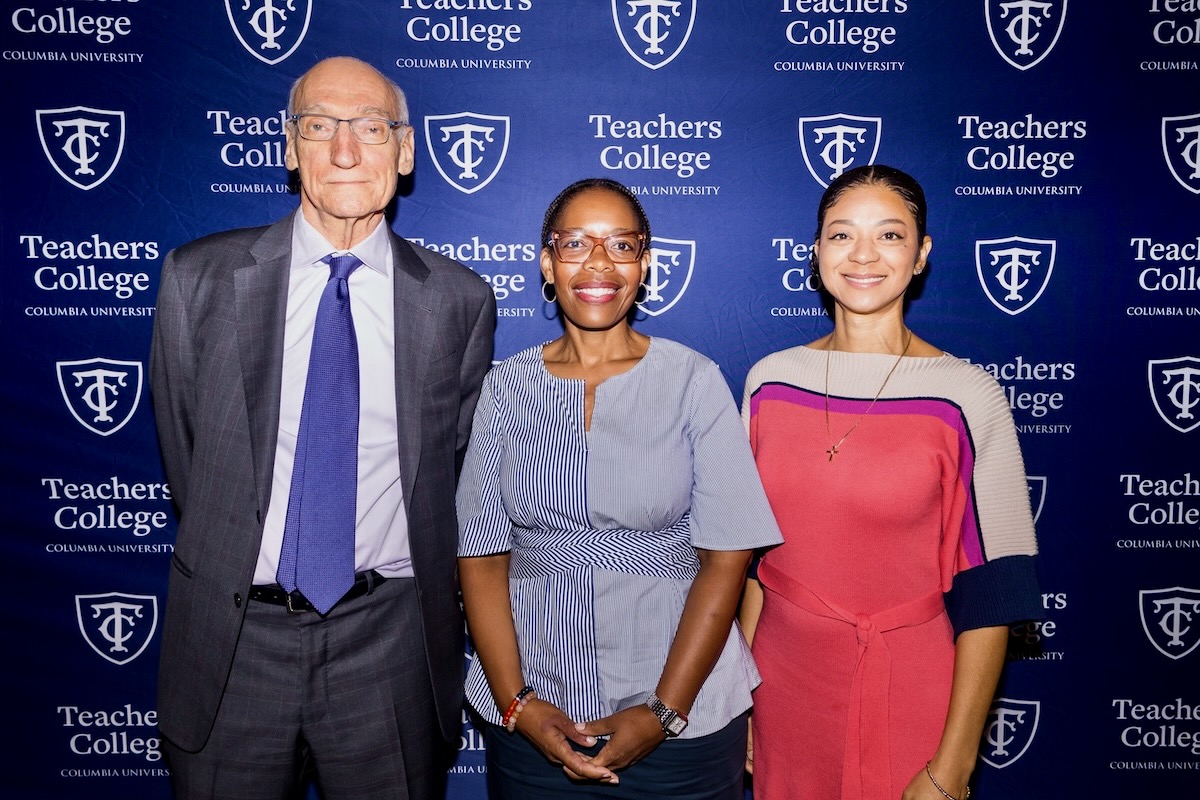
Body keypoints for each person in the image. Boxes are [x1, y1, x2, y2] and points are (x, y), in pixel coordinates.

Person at [149, 56, 496, 799]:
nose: (344, 151)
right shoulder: (198, 279)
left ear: (405, 152)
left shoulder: (458, 302)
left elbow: (452, 466)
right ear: (287, 146)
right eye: (319, 127)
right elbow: (190, 460)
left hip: (391, 647)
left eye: (370, 128)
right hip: (233, 645)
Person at [456, 177, 782, 799]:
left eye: (621, 245)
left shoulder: (693, 380)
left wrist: (662, 713)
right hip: (534, 722)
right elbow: (481, 557)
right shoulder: (504, 387)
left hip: (684, 725)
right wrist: (518, 704)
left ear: (646, 264)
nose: (598, 263)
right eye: (575, 243)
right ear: (548, 264)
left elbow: (727, 559)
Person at [740, 165, 1041, 800]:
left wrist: (953, 766)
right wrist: (738, 705)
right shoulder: (769, 382)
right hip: (780, 693)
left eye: (891, 235)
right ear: (817, 250)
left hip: (912, 692)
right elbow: (750, 566)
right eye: (842, 235)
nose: (864, 256)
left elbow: (989, 597)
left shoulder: (966, 396)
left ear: (922, 253)